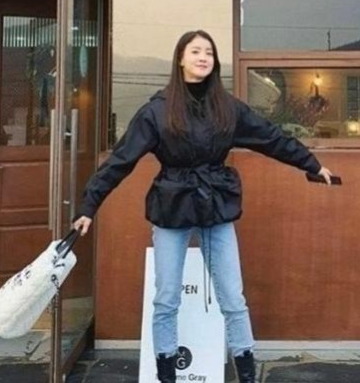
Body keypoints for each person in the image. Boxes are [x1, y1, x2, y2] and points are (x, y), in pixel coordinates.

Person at [73, 30, 336, 383]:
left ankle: (246, 372)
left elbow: (271, 137)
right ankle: (166, 371)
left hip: (216, 205)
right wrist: (89, 205)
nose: (203, 57)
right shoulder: (157, 110)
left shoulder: (227, 108)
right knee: (167, 297)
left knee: (233, 297)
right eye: (195, 51)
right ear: (180, 58)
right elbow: (121, 160)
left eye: (209, 52)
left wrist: (312, 164)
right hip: (172, 206)